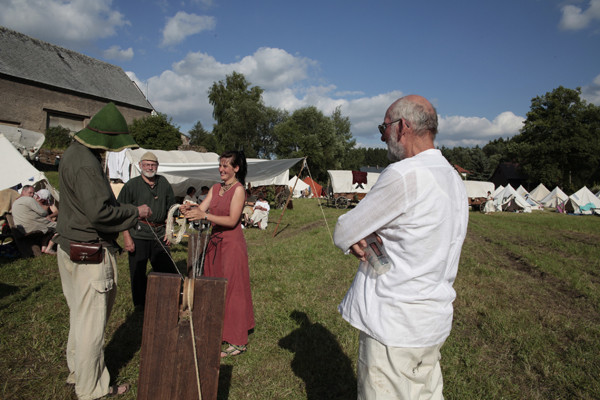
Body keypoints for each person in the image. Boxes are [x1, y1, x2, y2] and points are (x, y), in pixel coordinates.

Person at [333, 95, 468, 400]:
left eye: (384, 128)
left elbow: (344, 230)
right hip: (432, 321)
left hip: (394, 325)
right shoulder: (452, 177)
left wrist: (363, 233)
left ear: (403, 126)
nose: (383, 137)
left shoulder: (404, 174)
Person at [54, 102, 152, 399]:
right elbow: (99, 213)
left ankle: (78, 373)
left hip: (70, 246)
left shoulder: (72, 154)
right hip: (89, 251)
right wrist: (135, 212)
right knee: (92, 325)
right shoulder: (86, 162)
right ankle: (92, 388)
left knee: (80, 317)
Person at [181, 150, 255, 357]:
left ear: (236, 168)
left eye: (225, 166)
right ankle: (220, 331)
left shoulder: (239, 190)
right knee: (215, 286)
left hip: (232, 245)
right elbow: (201, 210)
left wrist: (204, 215)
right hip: (214, 243)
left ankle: (238, 341)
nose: (221, 169)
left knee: (233, 289)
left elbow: (232, 220)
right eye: (220, 165)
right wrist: (189, 211)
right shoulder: (215, 188)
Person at [117, 151, 177, 308]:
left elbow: (172, 209)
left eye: (153, 165)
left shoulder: (163, 183)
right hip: (138, 233)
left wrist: (169, 230)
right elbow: (121, 212)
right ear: (140, 166)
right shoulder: (132, 185)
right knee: (138, 271)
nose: (150, 167)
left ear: (157, 166)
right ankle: (140, 305)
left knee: (167, 270)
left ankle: (167, 301)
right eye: (147, 165)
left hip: (160, 233)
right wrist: (126, 237)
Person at [11, 188, 57, 254]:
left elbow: (55, 212)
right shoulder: (30, 200)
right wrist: (47, 216)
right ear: (23, 192)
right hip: (32, 226)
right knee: (59, 228)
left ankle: (44, 247)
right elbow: (43, 213)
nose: (32, 194)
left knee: (48, 228)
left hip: (22, 228)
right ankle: (49, 248)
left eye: (33, 193)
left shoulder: (16, 202)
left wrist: (49, 216)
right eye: (30, 193)